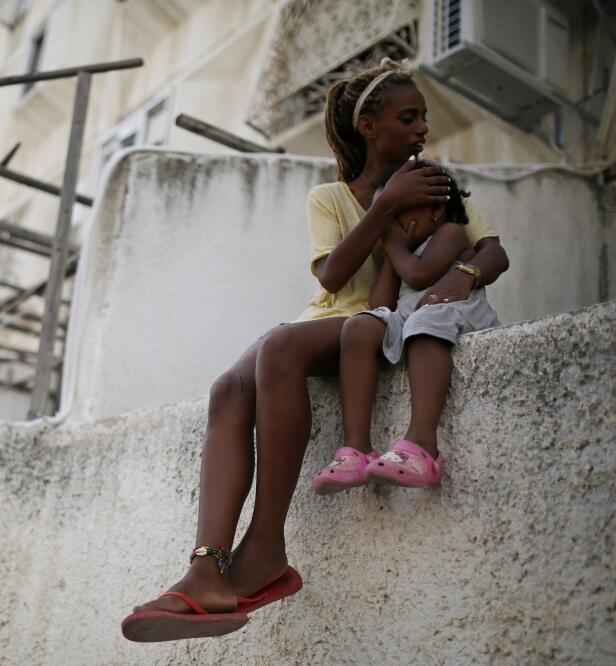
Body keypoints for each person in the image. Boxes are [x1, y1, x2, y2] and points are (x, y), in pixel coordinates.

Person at [120, 59, 510, 643]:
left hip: (375, 324)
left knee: (278, 345)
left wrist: (463, 275)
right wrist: (382, 204)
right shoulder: (330, 196)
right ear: (370, 126)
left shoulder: (434, 182)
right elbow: (331, 278)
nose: (422, 127)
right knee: (228, 388)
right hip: (328, 318)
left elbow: (492, 251)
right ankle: (206, 566)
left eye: (424, 117)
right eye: (408, 117)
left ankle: (265, 547)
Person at [312, 161, 499, 495]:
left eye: (395, 214)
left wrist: (395, 247)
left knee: (425, 322)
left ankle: (422, 445)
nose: (390, 225)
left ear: (436, 210)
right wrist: (392, 250)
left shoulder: (451, 233)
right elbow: (381, 303)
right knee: (358, 327)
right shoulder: (403, 251)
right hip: (414, 317)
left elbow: (419, 275)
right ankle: (356, 449)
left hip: (453, 311)